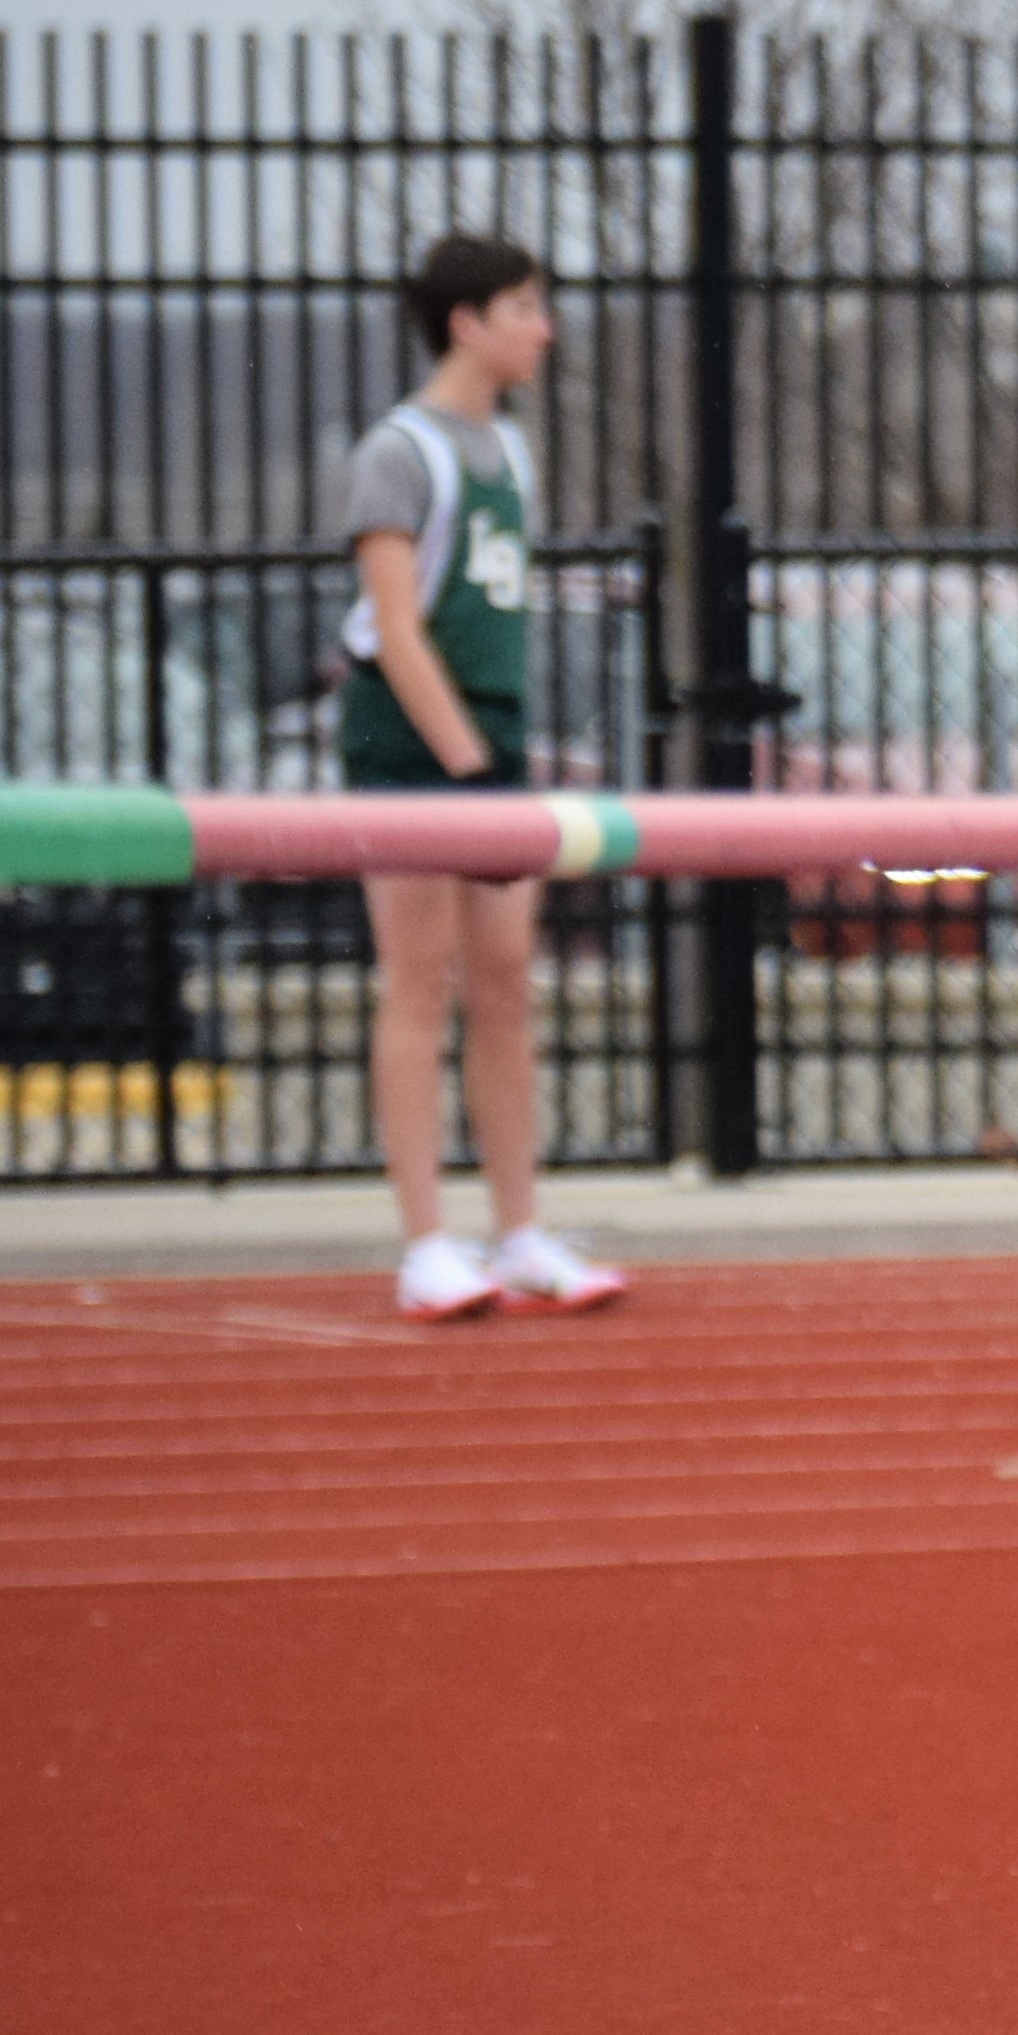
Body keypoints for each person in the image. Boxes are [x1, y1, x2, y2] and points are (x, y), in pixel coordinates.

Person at [338, 232, 623, 1323]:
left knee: (506, 985)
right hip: (413, 745)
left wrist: (498, 756)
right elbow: (397, 629)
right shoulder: (401, 451)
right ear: (466, 320)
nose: (542, 328)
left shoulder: (513, 450)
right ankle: (425, 1242)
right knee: (418, 981)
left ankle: (520, 1229)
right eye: (523, 306)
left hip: (492, 740)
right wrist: (463, 759)